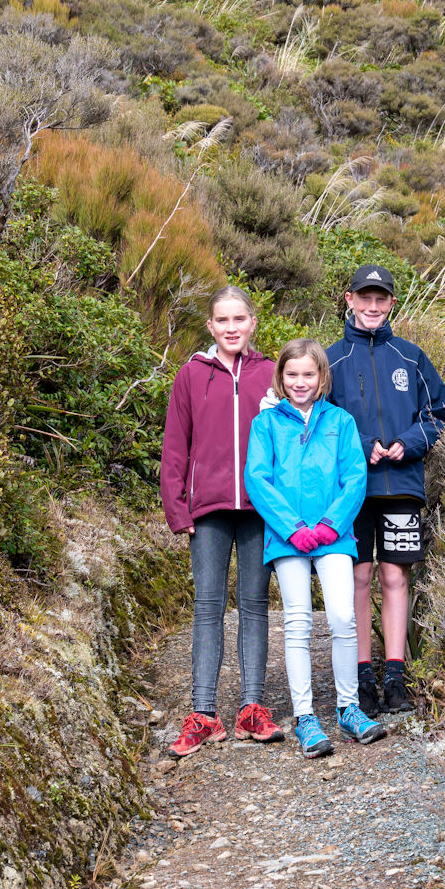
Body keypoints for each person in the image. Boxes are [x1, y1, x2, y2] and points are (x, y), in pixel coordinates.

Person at [245, 339, 386, 758]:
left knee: (342, 617)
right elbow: (258, 479)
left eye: (309, 374)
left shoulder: (340, 422)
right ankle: (305, 717)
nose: (300, 382)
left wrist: (329, 525)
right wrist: (292, 527)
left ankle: (348, 708)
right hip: (287, 536)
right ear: (281, 377)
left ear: (322, 377)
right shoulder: (266, 424)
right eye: (292, 375)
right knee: (299, 621)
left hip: (334, 535)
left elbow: (354, 478)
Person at [160, 287, 282, 757]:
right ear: (210, 327)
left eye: (239, 319)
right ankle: (203, 715)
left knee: (254, 605)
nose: (231, 327)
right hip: (206, 510)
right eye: (222, 320)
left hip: (260, 509)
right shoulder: (191, 374)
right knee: (207, 607)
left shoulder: (269, 375)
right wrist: (178, 508)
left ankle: (252, 709)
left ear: (252, 322)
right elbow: (176, 445)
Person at [326, 264, 445, 716]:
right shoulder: (331, 359)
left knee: (395, 576)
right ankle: (361, 677)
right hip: (351, 493)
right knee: (358, 577)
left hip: (401, 488)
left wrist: (407, 443)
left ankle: (394, 676)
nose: (372, 306)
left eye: (381, 299)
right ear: (349, 299)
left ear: (392, 303)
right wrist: (360, 447)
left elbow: (436, 413)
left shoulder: (412, 357)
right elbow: (319, 419)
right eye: (365, 297)